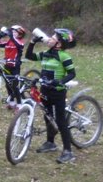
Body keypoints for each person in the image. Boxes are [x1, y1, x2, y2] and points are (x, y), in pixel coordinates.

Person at [25, 28, 77, 164]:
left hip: (57, 92)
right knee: (47, 116)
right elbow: (29, 56)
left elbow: (72, 74)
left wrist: (59, 82)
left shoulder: (64, 56)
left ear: (59, 44)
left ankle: (68, 151)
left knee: (60, 121)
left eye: (54, 37)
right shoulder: (47, 53)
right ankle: (50, 143)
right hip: (45, 90)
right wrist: (32, 42)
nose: (50, 38)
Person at [0, 25, 26, 110]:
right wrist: (0, 35)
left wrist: (10, 35)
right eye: (12, 32)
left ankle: (19, 104)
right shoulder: (8, 42)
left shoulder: (20, 42)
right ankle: (11, 102)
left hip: (15, 66)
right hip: (7, 65)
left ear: (20, 34)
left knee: (15, 85)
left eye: (15, 32)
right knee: (8, 84)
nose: (12, 33)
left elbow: (18, 44)